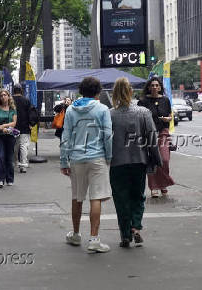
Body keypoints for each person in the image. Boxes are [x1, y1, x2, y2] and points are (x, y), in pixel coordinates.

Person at [60, 77, 113, 253]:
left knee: (77, 197)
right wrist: (109, 156)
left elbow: (65, 137)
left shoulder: (70, 110)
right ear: (98, 92)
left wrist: (63, 160)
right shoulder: (103, 109)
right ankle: (94, 239)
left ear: (81, 91)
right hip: (97, 157)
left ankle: (75, 234)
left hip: (76, 158)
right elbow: (107, 136)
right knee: (96, 197)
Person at [109, 77, 159, 247]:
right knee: (138, 196)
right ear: (131, 92)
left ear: (114, 93)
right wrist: (156, 160)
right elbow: (152, 138)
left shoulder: (110, 114)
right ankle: (136, 227)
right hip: (139, 160)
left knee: (121, 199)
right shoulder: (143, 112)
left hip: (117, 163)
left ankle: (125, 234)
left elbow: (105, 140)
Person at [138, 76, 175, 198]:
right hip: (149, 134)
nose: (154, 87)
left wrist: (168, 119)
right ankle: (154, 187)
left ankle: (163, 183)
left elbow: (170, 116)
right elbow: (139, 118)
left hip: (163, 132)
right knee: (152, 161)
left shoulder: (165, 100)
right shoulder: (143, 101)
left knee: (164, 160)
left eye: (157, 85)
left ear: (160, 87)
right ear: (148, 87)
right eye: (152, 85)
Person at [0, 89, 17, 188]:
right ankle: (0, 179)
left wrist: (5, 126)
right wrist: (0, 128)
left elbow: (14, 123)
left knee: (9, 158)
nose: (3, 97)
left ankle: (10, 178)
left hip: (10, 135)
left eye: (5, 95)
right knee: (1, 157)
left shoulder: (13, 109)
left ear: (8, 96)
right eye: (1, 96)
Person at [12, 84, 32, 173]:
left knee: (14, 146)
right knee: (23, 146)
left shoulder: (10, 100)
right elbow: (30, 113)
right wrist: (31, 124)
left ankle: (14, 163)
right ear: (21, 90)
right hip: (24, 126)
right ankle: (23, 165)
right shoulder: (26, 100)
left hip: (12, 126)